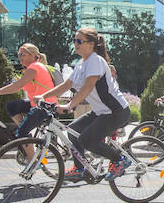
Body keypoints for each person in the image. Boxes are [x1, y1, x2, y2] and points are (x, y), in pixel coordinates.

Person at [34, 27, 131, 181]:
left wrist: (69, 106)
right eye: (75, 40)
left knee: (87, 140)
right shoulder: (81, 64)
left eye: (79, 41)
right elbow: (67, 84)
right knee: (73, 130)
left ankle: (119, 159)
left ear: (90, 44)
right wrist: (43, 96)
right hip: (101, 112)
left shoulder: (95, 61)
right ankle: (79, 169)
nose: (75, 43)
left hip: (116, 111)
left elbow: (88, 86)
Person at [0, 43, 58, 126]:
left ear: (32, 55)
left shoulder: (35, 67)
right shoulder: (32, 68)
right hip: (37, 104)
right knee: (12, 106)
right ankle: (24, 132)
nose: (19, 57)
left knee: (21, 136)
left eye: (22, 54)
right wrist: (0, 91)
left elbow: (18, 85)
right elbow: (17, 87)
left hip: (44, 107)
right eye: (18, 54)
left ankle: (24, 136)